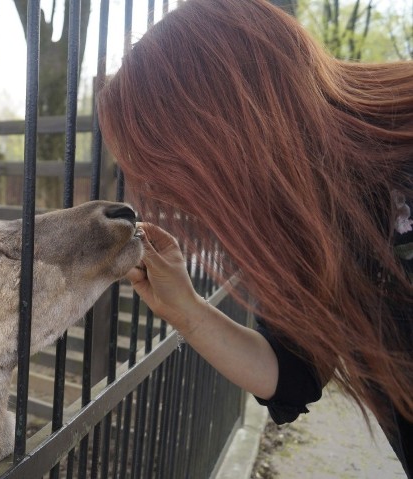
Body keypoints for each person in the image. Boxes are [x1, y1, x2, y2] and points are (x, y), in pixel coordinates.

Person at [96, 0, 413, 475]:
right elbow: (293, 373)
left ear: (223, 135)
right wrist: (185, 309)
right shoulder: (308, 219)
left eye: (166, 171)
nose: (169, 197)